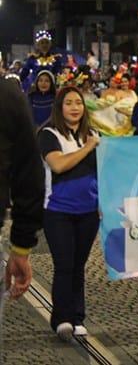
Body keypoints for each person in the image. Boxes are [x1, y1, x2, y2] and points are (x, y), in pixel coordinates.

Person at [38, 86, 100, 341]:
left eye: (79, 103)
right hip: (57, 211)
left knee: (78, 266)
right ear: (59, 107)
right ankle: (61, 318)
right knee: (64, 265)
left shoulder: (94, 134)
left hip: (88, 212)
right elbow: (58, 164)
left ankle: (77, 318)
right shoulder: (48, 134)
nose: (75, 107)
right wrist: (88, 147)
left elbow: (104, 172)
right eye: (69, 103)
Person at [0, 79, 45, 303]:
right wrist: (21, 244)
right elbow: (29, 175)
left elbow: (28, 174)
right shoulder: (8, 95)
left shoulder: (7, 95)